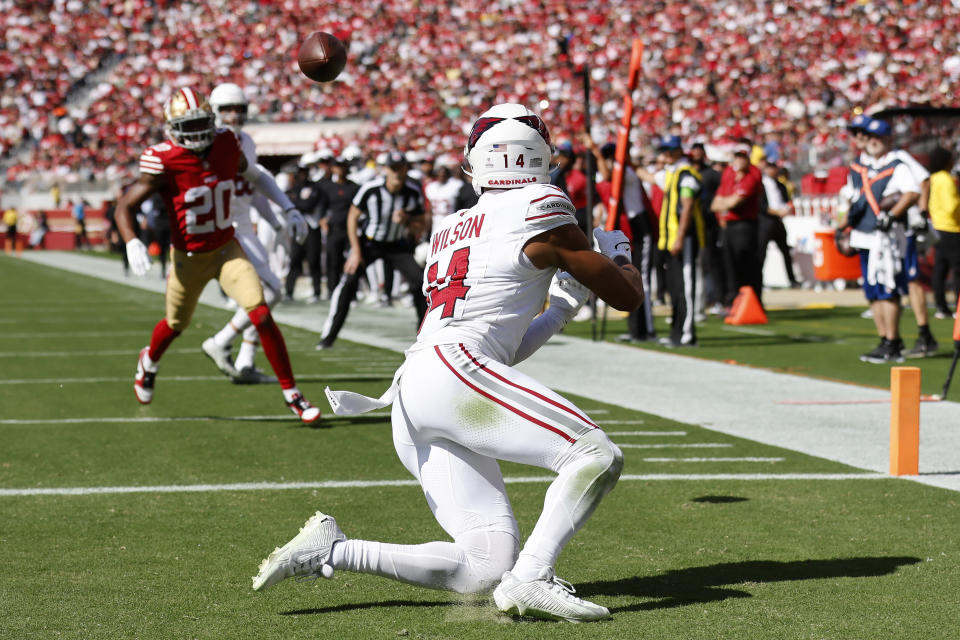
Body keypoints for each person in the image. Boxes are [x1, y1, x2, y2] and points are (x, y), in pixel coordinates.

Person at [252, 103, 643, 623]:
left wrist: (563, 309)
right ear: (538, 156)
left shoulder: (452, 226)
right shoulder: (541, 203)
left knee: (483, 565)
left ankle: (332, 549)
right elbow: (627, 298)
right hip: (456, 374)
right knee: (594, 456)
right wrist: (620, 255)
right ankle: (531, 580)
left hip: (420, 387)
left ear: (478, 161)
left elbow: (498, 345)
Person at [113, 86, 321, 423]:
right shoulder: (163, 159)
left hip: (227, 248)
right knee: (176, 324)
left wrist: (288, 207)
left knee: (261, 312)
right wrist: (132, 241)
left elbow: (254, 175)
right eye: (188, 126)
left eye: (201, 124)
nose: (197, 134)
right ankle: (149, 361)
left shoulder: (225, 142)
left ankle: (292, 394)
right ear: (173, 127)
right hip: (189, 257)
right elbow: (125, 205)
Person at [201, 82, 300, 384]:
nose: (233, 115)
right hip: (222, 228)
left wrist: (276, 220)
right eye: (227, 109)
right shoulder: (209, 145)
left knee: (264, 295)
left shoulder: (246, 142)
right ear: (214, 112)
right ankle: (221, 341)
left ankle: (245, 362)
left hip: (244, 224)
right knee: (268, 293)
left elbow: (253, 187)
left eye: (238, 109)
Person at [316, 151, 428, 350]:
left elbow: (422, 224)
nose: (397, 174)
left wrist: (408, 220)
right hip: (369, 243)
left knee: (420, 282)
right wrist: (356, 251)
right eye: (393, 169)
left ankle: (424, 337)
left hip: (396, 244)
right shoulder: (371, 189)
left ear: (405, 169)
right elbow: (353, 216)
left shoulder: (412, 191)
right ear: (385, 170)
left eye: (400, 169)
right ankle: (328, 336)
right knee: (348, 282)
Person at [842, 118, 921, 364]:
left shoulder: (897, 165)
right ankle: (883, 338)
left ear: (888, 140)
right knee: (871, 290)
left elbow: (912, 192)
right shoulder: (858, 167)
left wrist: (893, 214)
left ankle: (893, 340)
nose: (872, 141)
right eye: (869, 137)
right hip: (863, 233)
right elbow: (849, 198)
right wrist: (843, 224)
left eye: (878, 137)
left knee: (887, 288)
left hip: (885, 237)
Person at [637, 135, 704, 347]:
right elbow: (648, 177)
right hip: (671, 239)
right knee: (675, 287)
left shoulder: (686, 176)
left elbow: (687, 209)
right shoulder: (673, 174)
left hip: (682, 239)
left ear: (677, 152)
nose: (664, 154)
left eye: (668, 150)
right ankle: (677, 331)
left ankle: (686, 333)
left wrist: (679, 238)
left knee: (685, 287)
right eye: (663, 150)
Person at [711, 143, 764, 308]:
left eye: (742, 157)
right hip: (729, 225)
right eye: (737, 157)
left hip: (744, 225)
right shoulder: (729, 173)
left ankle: (752, 301)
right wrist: (725, 203)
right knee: (729, 264)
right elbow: (715, 204)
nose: (739, 161)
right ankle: (734, 300)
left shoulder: (752, 174)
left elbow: (735, 202)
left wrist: (724, 203)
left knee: (746, 264)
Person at [282, 165, 328, 304]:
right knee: (295, 260)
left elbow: (308, 205)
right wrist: (298, 202)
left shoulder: (315, 188)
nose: (301, 175)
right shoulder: (293, 189)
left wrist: (297, 202)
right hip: (297, 231)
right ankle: (289, 292)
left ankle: (316, 292)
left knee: (314, 261)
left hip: (312, 229)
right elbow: (288, 204)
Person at [318, 154, 361, 297]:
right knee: (333, 261)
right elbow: (322, 206)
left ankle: (352, 293)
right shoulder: (329, 187)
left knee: (351, 261)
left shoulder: (354, 187)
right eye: (338, 166)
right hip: (334, 228)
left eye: (343, 167)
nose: (340, 170)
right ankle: (332, 290)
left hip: (350, 229)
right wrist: (322, 219)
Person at [928, 146, 960, 320]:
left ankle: (941, 306)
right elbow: (951, 206)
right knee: (957, 269)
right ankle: (958, 306)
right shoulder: (946, 179)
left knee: (940, 270)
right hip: (952, 227)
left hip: (937, 227)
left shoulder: (933, 178)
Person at [758, 160, 800, 288]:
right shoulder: (761, 185)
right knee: (761, 253)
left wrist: (785, 210)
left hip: (778, 222)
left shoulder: (781, 185)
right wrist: (777, 212)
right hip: (765, 222)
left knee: (785, 251)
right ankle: (759, 280)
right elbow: (762, 206)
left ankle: (792, 280)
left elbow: (787, 201)